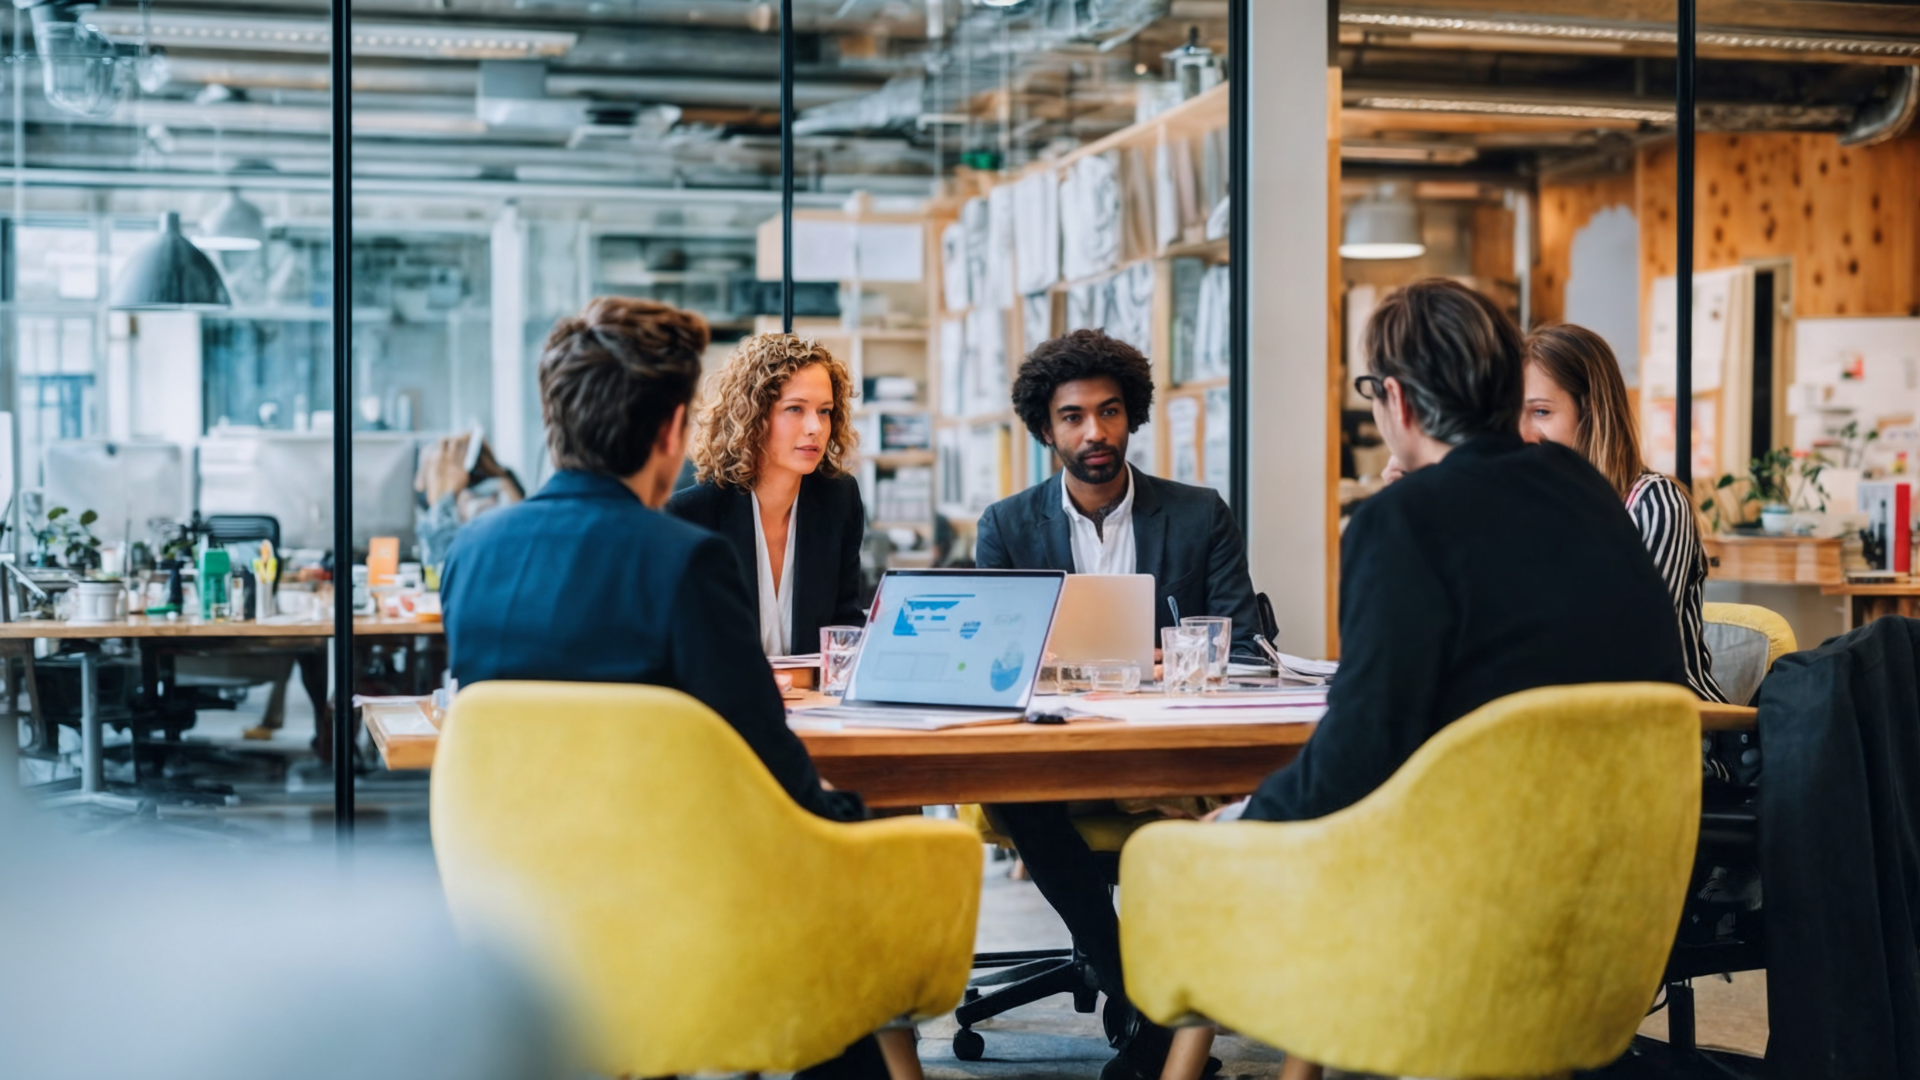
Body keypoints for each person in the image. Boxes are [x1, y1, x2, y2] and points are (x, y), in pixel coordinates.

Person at [1233, 278, 1689, 825]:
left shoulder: (1399, 522)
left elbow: (1360, 753)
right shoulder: (1584, 487)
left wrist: (1238, 823)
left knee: (1178, 858)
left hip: (1480, 865)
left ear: (1396, 400)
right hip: (1632, 851)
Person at [972, 329, 1258, 1080]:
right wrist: (1148, 657)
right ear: (1045, 429)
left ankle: (1148, 1024)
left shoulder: (1199, 515)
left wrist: (1135, 664)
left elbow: (1242, 641)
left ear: (1132, 417)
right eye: (1072, 417)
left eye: (1108, 412)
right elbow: (999, 663)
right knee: (1022, 795)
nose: (1094, 432)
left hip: (1166, 749)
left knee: (1237, 806)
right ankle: (1137, 991)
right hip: (1056, 756)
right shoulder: (1006, 527)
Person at [1521, 323, 1728, 705]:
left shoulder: (1655, 504)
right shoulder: (1526, 510)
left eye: (1541, 412)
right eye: (1515, 414)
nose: (1524, 432)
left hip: (1667, 735)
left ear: (1592, 413)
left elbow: (1628, 649)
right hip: (1563, 727)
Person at [666, 334, 867, 658]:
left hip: (815, 702)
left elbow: (845, 625)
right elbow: (685, 646)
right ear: (752, 415)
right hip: (727, 705)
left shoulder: (838, 499)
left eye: (825, 411)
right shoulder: (691, 514)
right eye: (795, 409)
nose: (815, 427)